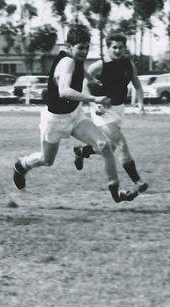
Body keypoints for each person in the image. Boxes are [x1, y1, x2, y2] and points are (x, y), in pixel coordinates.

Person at [12, 24, 138, 203]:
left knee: (104, 145)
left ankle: (116, 193)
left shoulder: (73, 57)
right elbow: (64, 91)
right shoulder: (67, 62)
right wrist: (94, 99)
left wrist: (89, 78)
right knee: (47, 160)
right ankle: (22, 165)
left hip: (75, 115)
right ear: (69, 46)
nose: (84, 51)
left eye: (87, 47)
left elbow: (79, 68)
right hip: (55, 120)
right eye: (81, 47)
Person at [71, 33, 148, 194]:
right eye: (114, 47)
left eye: (121, 47)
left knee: (111, 147)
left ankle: (82, 151)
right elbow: (83, 84)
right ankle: (137, 181)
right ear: (108, 48)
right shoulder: (99, 65)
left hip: (119, 109)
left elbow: (138, 86)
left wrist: (140, 104)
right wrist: (93, 102)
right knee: (121, 144)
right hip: (102, 110)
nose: (118, 50)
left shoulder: (128, 65)